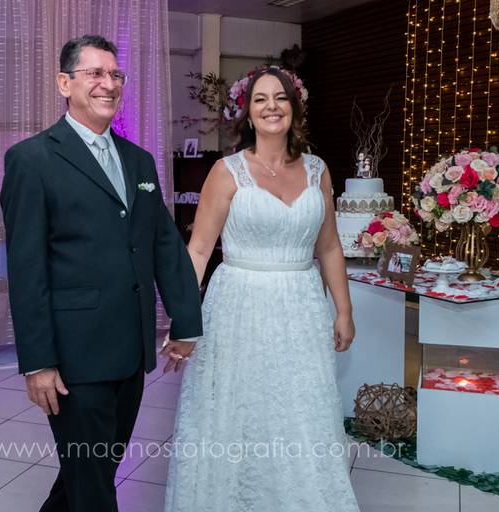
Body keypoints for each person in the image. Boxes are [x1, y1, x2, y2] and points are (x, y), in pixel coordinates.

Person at [0, 35, 202, 512]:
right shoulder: (32, 160)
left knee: (92, 471)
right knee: (92, 484)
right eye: (94, 73)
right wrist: (38, 362)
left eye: (115, 74)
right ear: (64, 83)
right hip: (74, 356)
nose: (108, 84)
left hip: (129, 352)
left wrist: (186, 322)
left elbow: (164, 244)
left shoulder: (139, 161)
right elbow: (27, 269)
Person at [163, 67, 360, 511]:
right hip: (239, 308)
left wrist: (344, 310)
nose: (272, 107)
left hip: (301, 307)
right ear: (248, 114)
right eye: (260, 99)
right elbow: (199, 250)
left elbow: (329, 246)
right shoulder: (226, 171)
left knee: (299, 410)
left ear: (294, 108)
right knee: (239, 411)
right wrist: (183, 319)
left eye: (280, 98)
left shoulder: (318, 171)